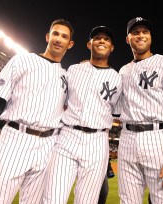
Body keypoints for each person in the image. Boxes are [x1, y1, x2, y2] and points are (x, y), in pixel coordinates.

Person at [0, 19, 74, 203]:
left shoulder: (66, 76)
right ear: (48, 37)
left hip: (48, 145)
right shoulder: (23, 60)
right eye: (55, 34)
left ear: (70, 44)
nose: (58, 39)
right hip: (15, 139)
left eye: (64, 36)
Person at [43, 26, 122, 204]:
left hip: (97, 141)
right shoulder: (73, 70)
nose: (102, 40)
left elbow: (117, 113)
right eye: (97, 38)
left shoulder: (117, 79)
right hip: (67, 137)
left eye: (106, 39)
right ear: (89, 44)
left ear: (112, 47)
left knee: (87, 200)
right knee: (52, 198)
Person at [116, 17, 163, 203]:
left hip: (158, 138)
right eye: (135, 32)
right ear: (127, 38)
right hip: (127, 139)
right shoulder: (123, 71)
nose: (141, 35)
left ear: (150, 37)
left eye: (145, 32)